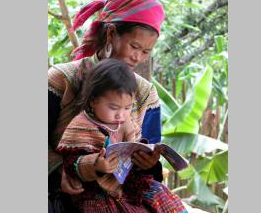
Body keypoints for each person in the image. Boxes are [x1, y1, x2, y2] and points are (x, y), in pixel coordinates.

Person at [48, 0, 166, 210]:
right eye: (134, 46)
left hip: (118, 196)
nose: (137, 57)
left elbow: (150, 152)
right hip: (60, 195)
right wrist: (60, 171)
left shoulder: (146, 94)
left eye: (146, 52)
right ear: (111, 33)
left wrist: (148, 163)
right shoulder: (62, 79)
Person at [57, 58, 187, 212]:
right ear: (93, 101)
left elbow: (134, 151)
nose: (120, 114)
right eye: (113, 107)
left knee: (160, 194)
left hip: (130, 185)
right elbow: (70, 163)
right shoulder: (81, 126)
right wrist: (96, 165)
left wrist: (145, 160)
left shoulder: (127, 124)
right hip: (96, 192)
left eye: (127, 108)